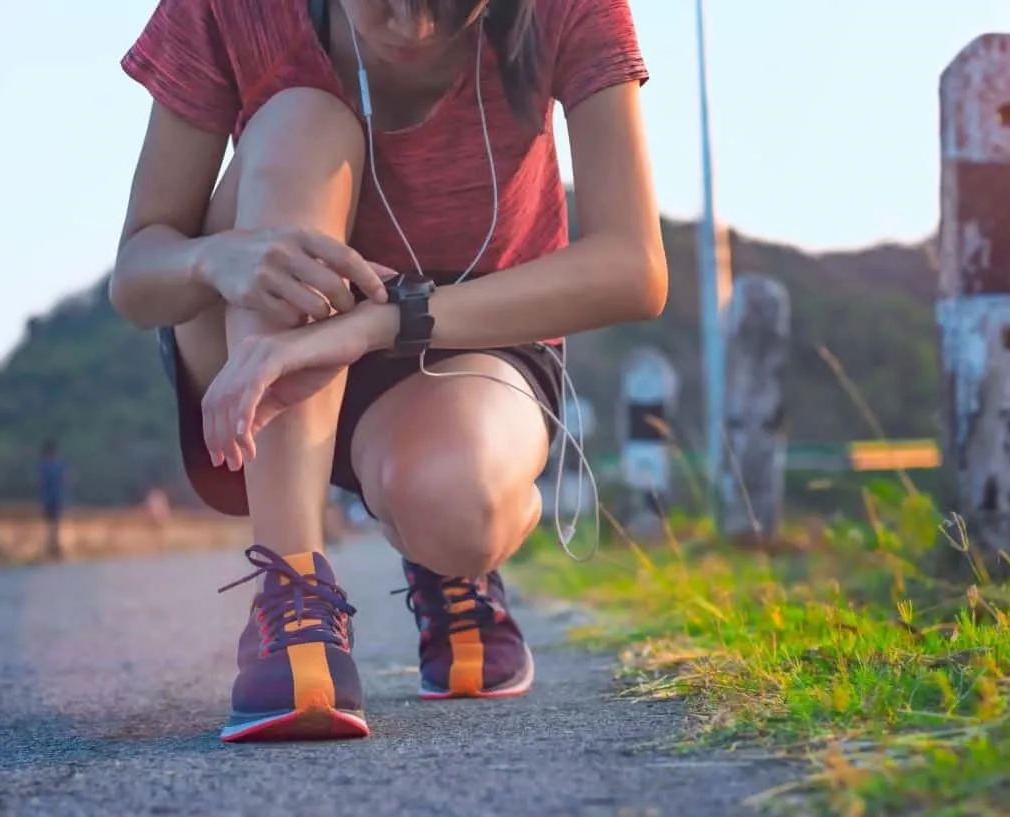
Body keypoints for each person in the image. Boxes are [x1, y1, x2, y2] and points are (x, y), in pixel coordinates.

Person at [111, 0, 666, 742]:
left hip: (473, 338)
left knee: (456, 505)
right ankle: (292, 592)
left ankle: (454, 561)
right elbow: (138, 278)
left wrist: (376, 323)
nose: (412, 27)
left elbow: (635, 268)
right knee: (301, 114)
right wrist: (214, 257)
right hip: (262, 328)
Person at [38, 439, 66, 559]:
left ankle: (53, 547)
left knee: (53, 524)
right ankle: (54, 547)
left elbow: (40, 482)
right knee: (53, 524)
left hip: (51, 498)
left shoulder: (45, 465)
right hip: (53, 498)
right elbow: (65, 480)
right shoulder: (56, 465)